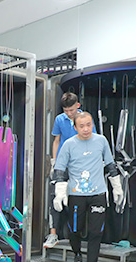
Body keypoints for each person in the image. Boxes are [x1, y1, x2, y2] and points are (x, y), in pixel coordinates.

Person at [53, 111, 123, 262]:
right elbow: (60, 169)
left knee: (96, 232)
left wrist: (117, 187)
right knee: (75, 229)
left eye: (89, 125)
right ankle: (77, 253)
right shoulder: (69, 144)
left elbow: (110, 164)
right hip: (76, 195)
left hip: (98, 194)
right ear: (75, 127)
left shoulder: (101, 141)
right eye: (82, 126)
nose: (86, 129)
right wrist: (60, 192)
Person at [44, 92, 97, 249]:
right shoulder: (60, 119)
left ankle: (78, 236)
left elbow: (92, 141)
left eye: (71, 110)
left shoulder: (85, 121)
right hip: (62, 164)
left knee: (77, 199)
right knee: (55, 197)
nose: (69, 113)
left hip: (80, 165)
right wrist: (54, 161)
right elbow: (57, 140)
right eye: (66, 110)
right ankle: (53, 234)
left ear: (78, 106)